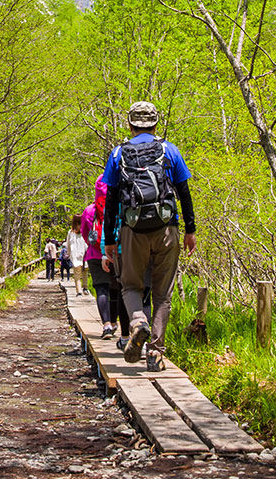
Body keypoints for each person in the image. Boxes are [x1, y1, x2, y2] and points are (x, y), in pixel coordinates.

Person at [103, 100, 196, 372]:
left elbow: (110, 200)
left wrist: (109, 239)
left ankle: (137, 323)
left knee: (131, 285)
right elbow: (184, 192)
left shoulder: (118, 153)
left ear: (130, 124)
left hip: (131, 230)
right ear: (156, 123)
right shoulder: (169, 150)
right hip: (167, 228)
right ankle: (155, 352)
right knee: (162, 293)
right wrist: (190, 230)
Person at [81, 178, 118, 338]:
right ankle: (116, 321)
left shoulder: (89, 210)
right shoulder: (118, 206)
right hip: (116, 253)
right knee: (116, 289)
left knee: (101, 289)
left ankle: (106, 324)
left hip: (94, 255)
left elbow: (84, 232)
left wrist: (94, 247)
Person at [65, 214, 89, 297]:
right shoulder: (85, 230)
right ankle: (85, 287)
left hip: (75, 256)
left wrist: (69, 254)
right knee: (85, 272)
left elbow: (68, 244)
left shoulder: (70, 232)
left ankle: (79, 291)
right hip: (85, 255)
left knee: (77, 275)